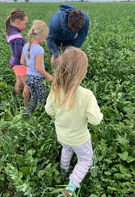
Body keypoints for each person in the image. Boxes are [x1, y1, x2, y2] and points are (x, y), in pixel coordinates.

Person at [45, 47, 103, 197]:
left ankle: (63, 171)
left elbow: (49, 111)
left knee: (67, 148)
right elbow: (96, 120)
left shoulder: (55, 89)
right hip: (80, 139)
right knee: (85, 160)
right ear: (83, 73)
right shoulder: (86, 95)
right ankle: (71, 187)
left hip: (62, 135)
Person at [20, 20, 53, 114]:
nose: (45, 40)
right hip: (38, 79)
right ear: (41, 36)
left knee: (33, 97)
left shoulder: (26, 46)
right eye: (45, 37)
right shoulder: (39, 49)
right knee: (41, 99)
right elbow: (38, 68)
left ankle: (29, 114)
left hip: (29, 77)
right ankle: (38, 117)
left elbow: (22, 62)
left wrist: (31, 66)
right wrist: (49, 76)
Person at [4, 8, 30, 102]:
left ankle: (18, 100)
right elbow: (19, 54)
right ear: (19, 21)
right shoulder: (18, 37)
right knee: (27, 85)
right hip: (20, 64)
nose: (25, 26)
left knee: (19, 82)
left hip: (13, 62)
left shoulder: (10, 32)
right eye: (25, 23)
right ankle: (26, 106)